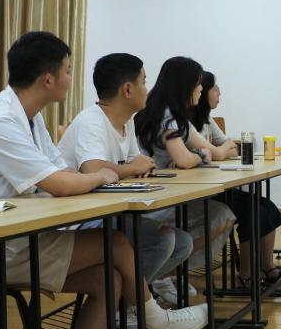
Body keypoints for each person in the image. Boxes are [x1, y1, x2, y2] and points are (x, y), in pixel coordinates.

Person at [0, 32, 207, 329]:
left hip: (13, 238)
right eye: (67, 70)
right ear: (48, 79)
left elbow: (62, 172)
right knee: (116, 244)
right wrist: (104, 176)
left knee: (107, 278)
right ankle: (155, 319)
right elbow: (63, 182)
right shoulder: (0, 121)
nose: (70, 78)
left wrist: (95, 176)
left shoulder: (30, 118)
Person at [58, 53, 194, 306]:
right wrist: (132, 167)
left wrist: (136, 166)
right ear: (128, 89)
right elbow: (92, 169)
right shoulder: (91, 121)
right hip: (78, 221)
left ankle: (126, 303)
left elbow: (139, 161)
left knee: (182, 243)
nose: (147, 89)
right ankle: (130, 308)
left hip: (109, 210)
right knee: (162, 240)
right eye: (144, 81)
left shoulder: (126, 122)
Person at [134, 57, 237, 297]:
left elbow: (215, 152)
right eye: (198, 84)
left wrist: (201, 154)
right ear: (185, 86)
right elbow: (186, 159)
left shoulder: (175, 116)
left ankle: (165, 274)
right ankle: (160, 276)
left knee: (221, 213)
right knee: (220, 215)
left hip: (167, 193)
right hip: (152, 200)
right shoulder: (166, 116)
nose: (201, 89)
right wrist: (200, 154)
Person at [192, 71, 281, 287]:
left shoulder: (206, 119)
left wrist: (217, 151)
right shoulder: (187, 123)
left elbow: (232, 147)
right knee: (253, 211)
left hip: (216, 185)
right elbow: (213, 152)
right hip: (200, 190)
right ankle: (246, 274)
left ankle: (267, 267)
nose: (219, 93)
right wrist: (218, 151)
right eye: (215, 88)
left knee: (267, 207)